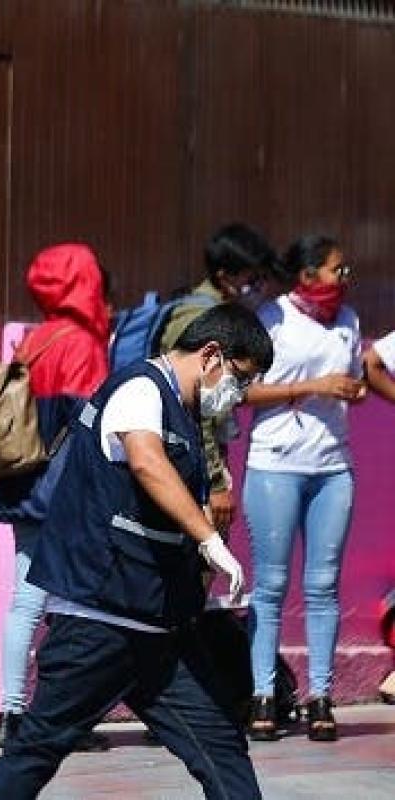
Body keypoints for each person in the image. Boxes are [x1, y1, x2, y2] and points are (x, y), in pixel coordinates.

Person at [0, 304, 271, 800]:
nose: (239, 394)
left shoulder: (184, 409)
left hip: (159, 630)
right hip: (99, 622)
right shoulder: (140, 389)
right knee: (37, 750)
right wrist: (208, 538)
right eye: (239, 378)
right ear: (210, 355)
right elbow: (146, 462)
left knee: (220, 744)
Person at [0, 243, 110, 750]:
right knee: (71, 605)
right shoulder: (84, 343)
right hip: (67, 489)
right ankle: (58, 719)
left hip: (25, 482)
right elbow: (91, 423)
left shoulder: (35, 340)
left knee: (25, 601)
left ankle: (10, 713)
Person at [239, 234, 364, 743]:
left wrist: (350, 390)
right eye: (337, 269)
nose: (344, 278)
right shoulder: (272, 318)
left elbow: (353, 379)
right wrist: (312, 387)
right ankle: (263, 694)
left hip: (333, 466)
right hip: (276, 464)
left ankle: (321, 697)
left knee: (324, 585)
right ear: (308, 274)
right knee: (270, 585)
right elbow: (241, 390)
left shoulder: (348, 320)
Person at [157, 223, 278, 535]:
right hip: (188, 458)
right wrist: (215, 482)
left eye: (263, 278)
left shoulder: (221, 311)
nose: (261, 287)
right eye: (252, 279)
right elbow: (198, 408)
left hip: (199, 456)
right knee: (201, 549)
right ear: (225, 276)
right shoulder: (199, 318)